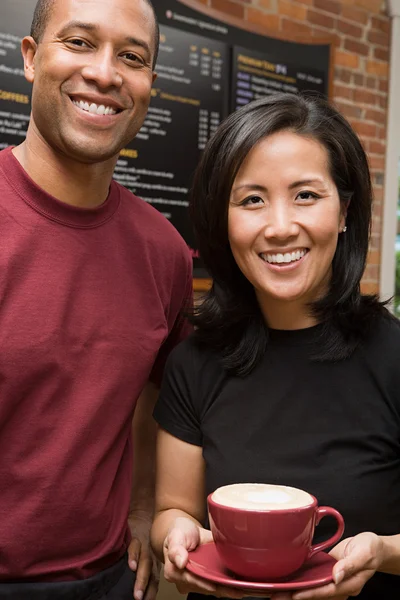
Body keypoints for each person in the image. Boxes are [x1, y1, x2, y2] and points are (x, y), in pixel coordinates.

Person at [150, 93, 400, 600]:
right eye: (252, 199)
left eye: (306, 195)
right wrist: (173, 538)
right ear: (224, 221)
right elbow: (170, 511)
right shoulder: (192, 364)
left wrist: (384, 552)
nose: (280, 226)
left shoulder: (393, 356)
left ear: (345, 211)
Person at [0, 0, 192, 598]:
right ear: (31, 58)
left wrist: (141, 507)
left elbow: (160, 391)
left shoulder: (164, 251)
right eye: (79, 42)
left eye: (131, 57)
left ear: (150, 85)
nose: (105, 74)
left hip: (107, 582)